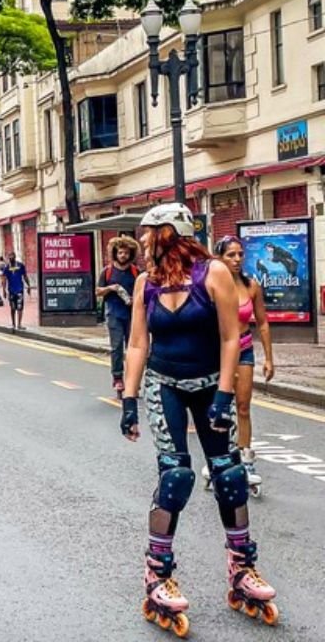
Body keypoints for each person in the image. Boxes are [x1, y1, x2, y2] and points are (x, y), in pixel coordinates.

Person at [119, 204, 276, 635]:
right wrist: (129, 399)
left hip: (210, 382)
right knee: (175, 477)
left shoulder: (213, 273)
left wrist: (224, 394)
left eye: (149, 232)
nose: (143, 240)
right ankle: (157, 574)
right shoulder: (146, 282)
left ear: (170, 233)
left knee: (230, 474)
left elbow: (230, 337)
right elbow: (137, 344)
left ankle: (242, 568)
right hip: (163, 384)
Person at [200, 236, 275, 496]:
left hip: (243, 349)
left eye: (240, 254)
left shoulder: (251, 286)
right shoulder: (209, 284)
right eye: (230, 255)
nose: (237, 259)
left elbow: (262, 323)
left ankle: (246, 458)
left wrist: (269, 358)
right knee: (220, 407)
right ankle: (217, 456)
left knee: (243, 406)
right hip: (217, 352)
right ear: (219, 258)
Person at [96, 236, 140, 397]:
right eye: (120, 252)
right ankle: (117, 378)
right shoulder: (107, 271)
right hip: (114, 314)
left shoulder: (136, 272)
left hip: (132, 315)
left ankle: (133, 380)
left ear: (131, 254)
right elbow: (98, 291)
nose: (123, 256)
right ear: (115, 253)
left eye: (126, 253)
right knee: (116, 348)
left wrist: (136, 299)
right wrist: (111, 288)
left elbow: (142, 291)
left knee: (133, 348)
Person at [0, 251, 31, 331]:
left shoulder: (20, 265)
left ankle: (19, 324)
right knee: (12, 308)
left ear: (15, 257)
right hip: (11, 290)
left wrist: (29, 286)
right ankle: (13, 324)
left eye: (12, 256)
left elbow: (25, 276)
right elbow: (4, 279)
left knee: (20, 307)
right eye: (9, 257)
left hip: (19, 289)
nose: (11, 258)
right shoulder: (7, 267)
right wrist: (4, 291)